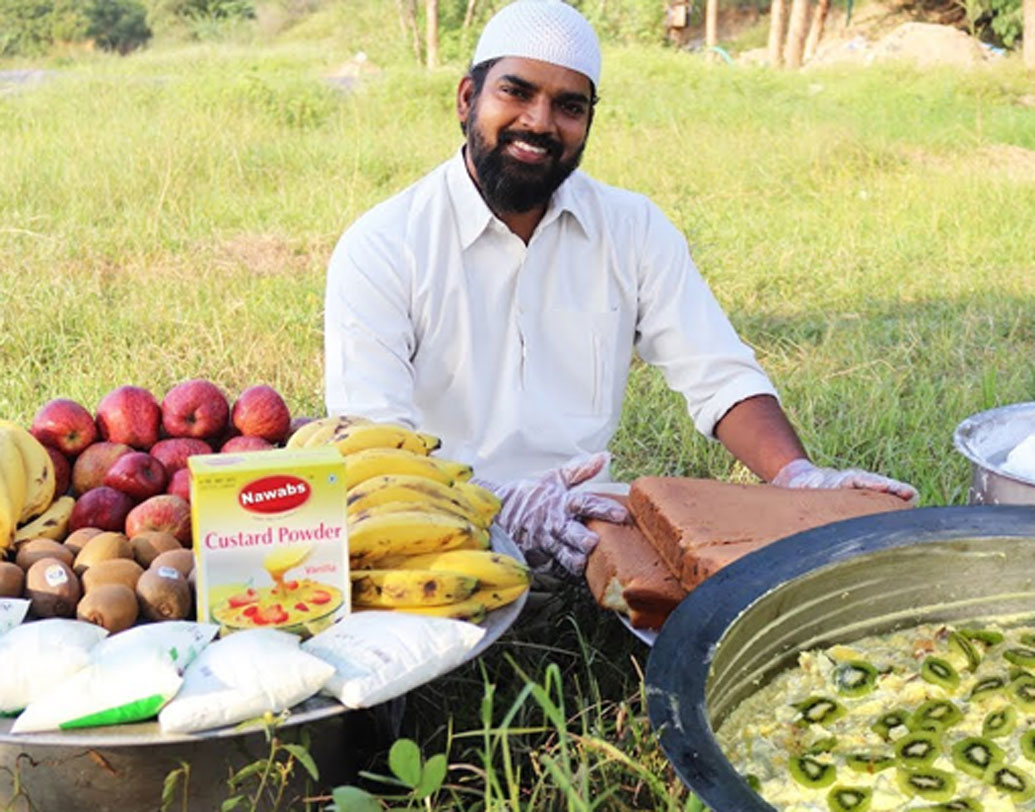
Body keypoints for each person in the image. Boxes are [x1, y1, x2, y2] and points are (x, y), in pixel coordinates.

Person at [324, 0, 916, 576]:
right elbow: (375, 445)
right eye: (516, 91)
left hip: (590, 524)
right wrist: (500, 503)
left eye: (569, 105)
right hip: (434, 529)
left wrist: (798, 476)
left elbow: (717, 372)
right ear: (466, 98)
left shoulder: (631, 229)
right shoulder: (384, 245)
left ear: (587, 122)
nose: (540, 122)